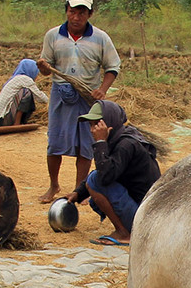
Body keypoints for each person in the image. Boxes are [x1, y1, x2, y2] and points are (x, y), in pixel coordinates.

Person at [35, 0, 120, 203]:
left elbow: (113, 67)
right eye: (73, 11)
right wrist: (44, 67)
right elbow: (46, 69)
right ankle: (53, 185)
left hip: (88, 98)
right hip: (60, 96)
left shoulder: (100, 38)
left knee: (85, 145)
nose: (76, 17)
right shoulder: (53, 36)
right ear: (66, 10)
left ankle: (79, 190)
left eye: (82, 12)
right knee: (55, 142)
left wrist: (103, 89)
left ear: (90, 14)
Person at [66, 100, 162, 246]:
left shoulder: (126, 145)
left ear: (109, 123)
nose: (92, 130)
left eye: (97, 124)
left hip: (145, 219)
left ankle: (125, 233)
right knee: (93, 178)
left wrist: (100, 143)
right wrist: (79, 193)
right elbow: (105, 171)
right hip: (147, 215)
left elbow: (104, 177)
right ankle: (126, 228)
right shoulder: (119, 139)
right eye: (91, 125)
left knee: (94, 181)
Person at [0, 58, 50, 127]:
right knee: (26, 92)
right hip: (5, 119)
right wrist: (50, 101)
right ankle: (17, 123)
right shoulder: (24, 79)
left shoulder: (14, 79)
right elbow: (40, 97)